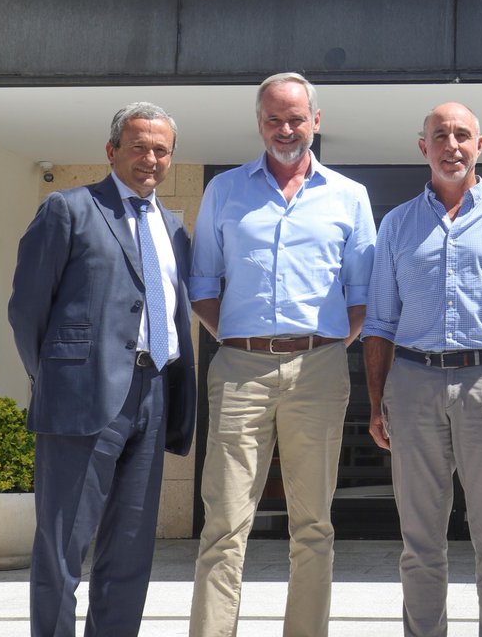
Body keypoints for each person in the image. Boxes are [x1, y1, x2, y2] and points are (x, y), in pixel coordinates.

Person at [188, 72, 376, 637]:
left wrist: (317, 346)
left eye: (296, 118)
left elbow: (362, 296)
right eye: (274, 118)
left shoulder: (350, 197)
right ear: (259, 123)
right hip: (239, 368)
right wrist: (243, 339)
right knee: (223, 522)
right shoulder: (224, 190)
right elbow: (202, 285)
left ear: (316, 121)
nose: (286, 129)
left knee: (313, 524)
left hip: (318, 369)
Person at [362, 102, 482, 637]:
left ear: (480, 145)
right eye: (440, 135)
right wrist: (375, 401)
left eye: (462, 135)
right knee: (420, 541)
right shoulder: (397, 224)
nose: (452, 145)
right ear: (422, 146)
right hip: (413, 382)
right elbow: (380, 320)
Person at [9, 103, 197, 637]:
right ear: (112, 149)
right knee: (62, 545)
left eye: (161, 149)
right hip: (81, 397)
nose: (151, 158)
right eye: (139, 146)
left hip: (155, 391)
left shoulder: (174, 227)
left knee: (130, 550)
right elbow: (27, 310)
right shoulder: (68, 210)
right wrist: (54, 380)